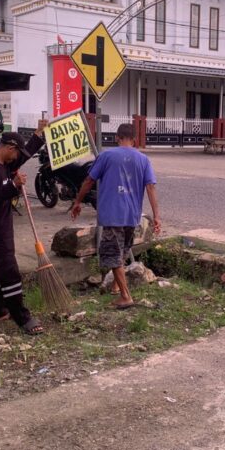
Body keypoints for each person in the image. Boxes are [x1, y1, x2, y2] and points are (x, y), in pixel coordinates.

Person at [70, 123, 161, 310]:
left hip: (112, 215)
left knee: (112, 254)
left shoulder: (106, 156)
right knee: (123, 250)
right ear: (134, 139)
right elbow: (151, 187)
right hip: (132, 216)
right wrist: (157, 216)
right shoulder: (143, 159)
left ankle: (125, 296)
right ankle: (115, 286)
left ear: (117, 138)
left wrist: (77, 201)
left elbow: (89, 180)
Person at [0, 123, 47, 335]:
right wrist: (13, 186)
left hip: (1, 227)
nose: (17, 157)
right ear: (8, 147)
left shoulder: (3, 164)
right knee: (9, 272)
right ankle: (22, 318)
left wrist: (37, 135)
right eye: (16, 151)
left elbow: (22, 158)